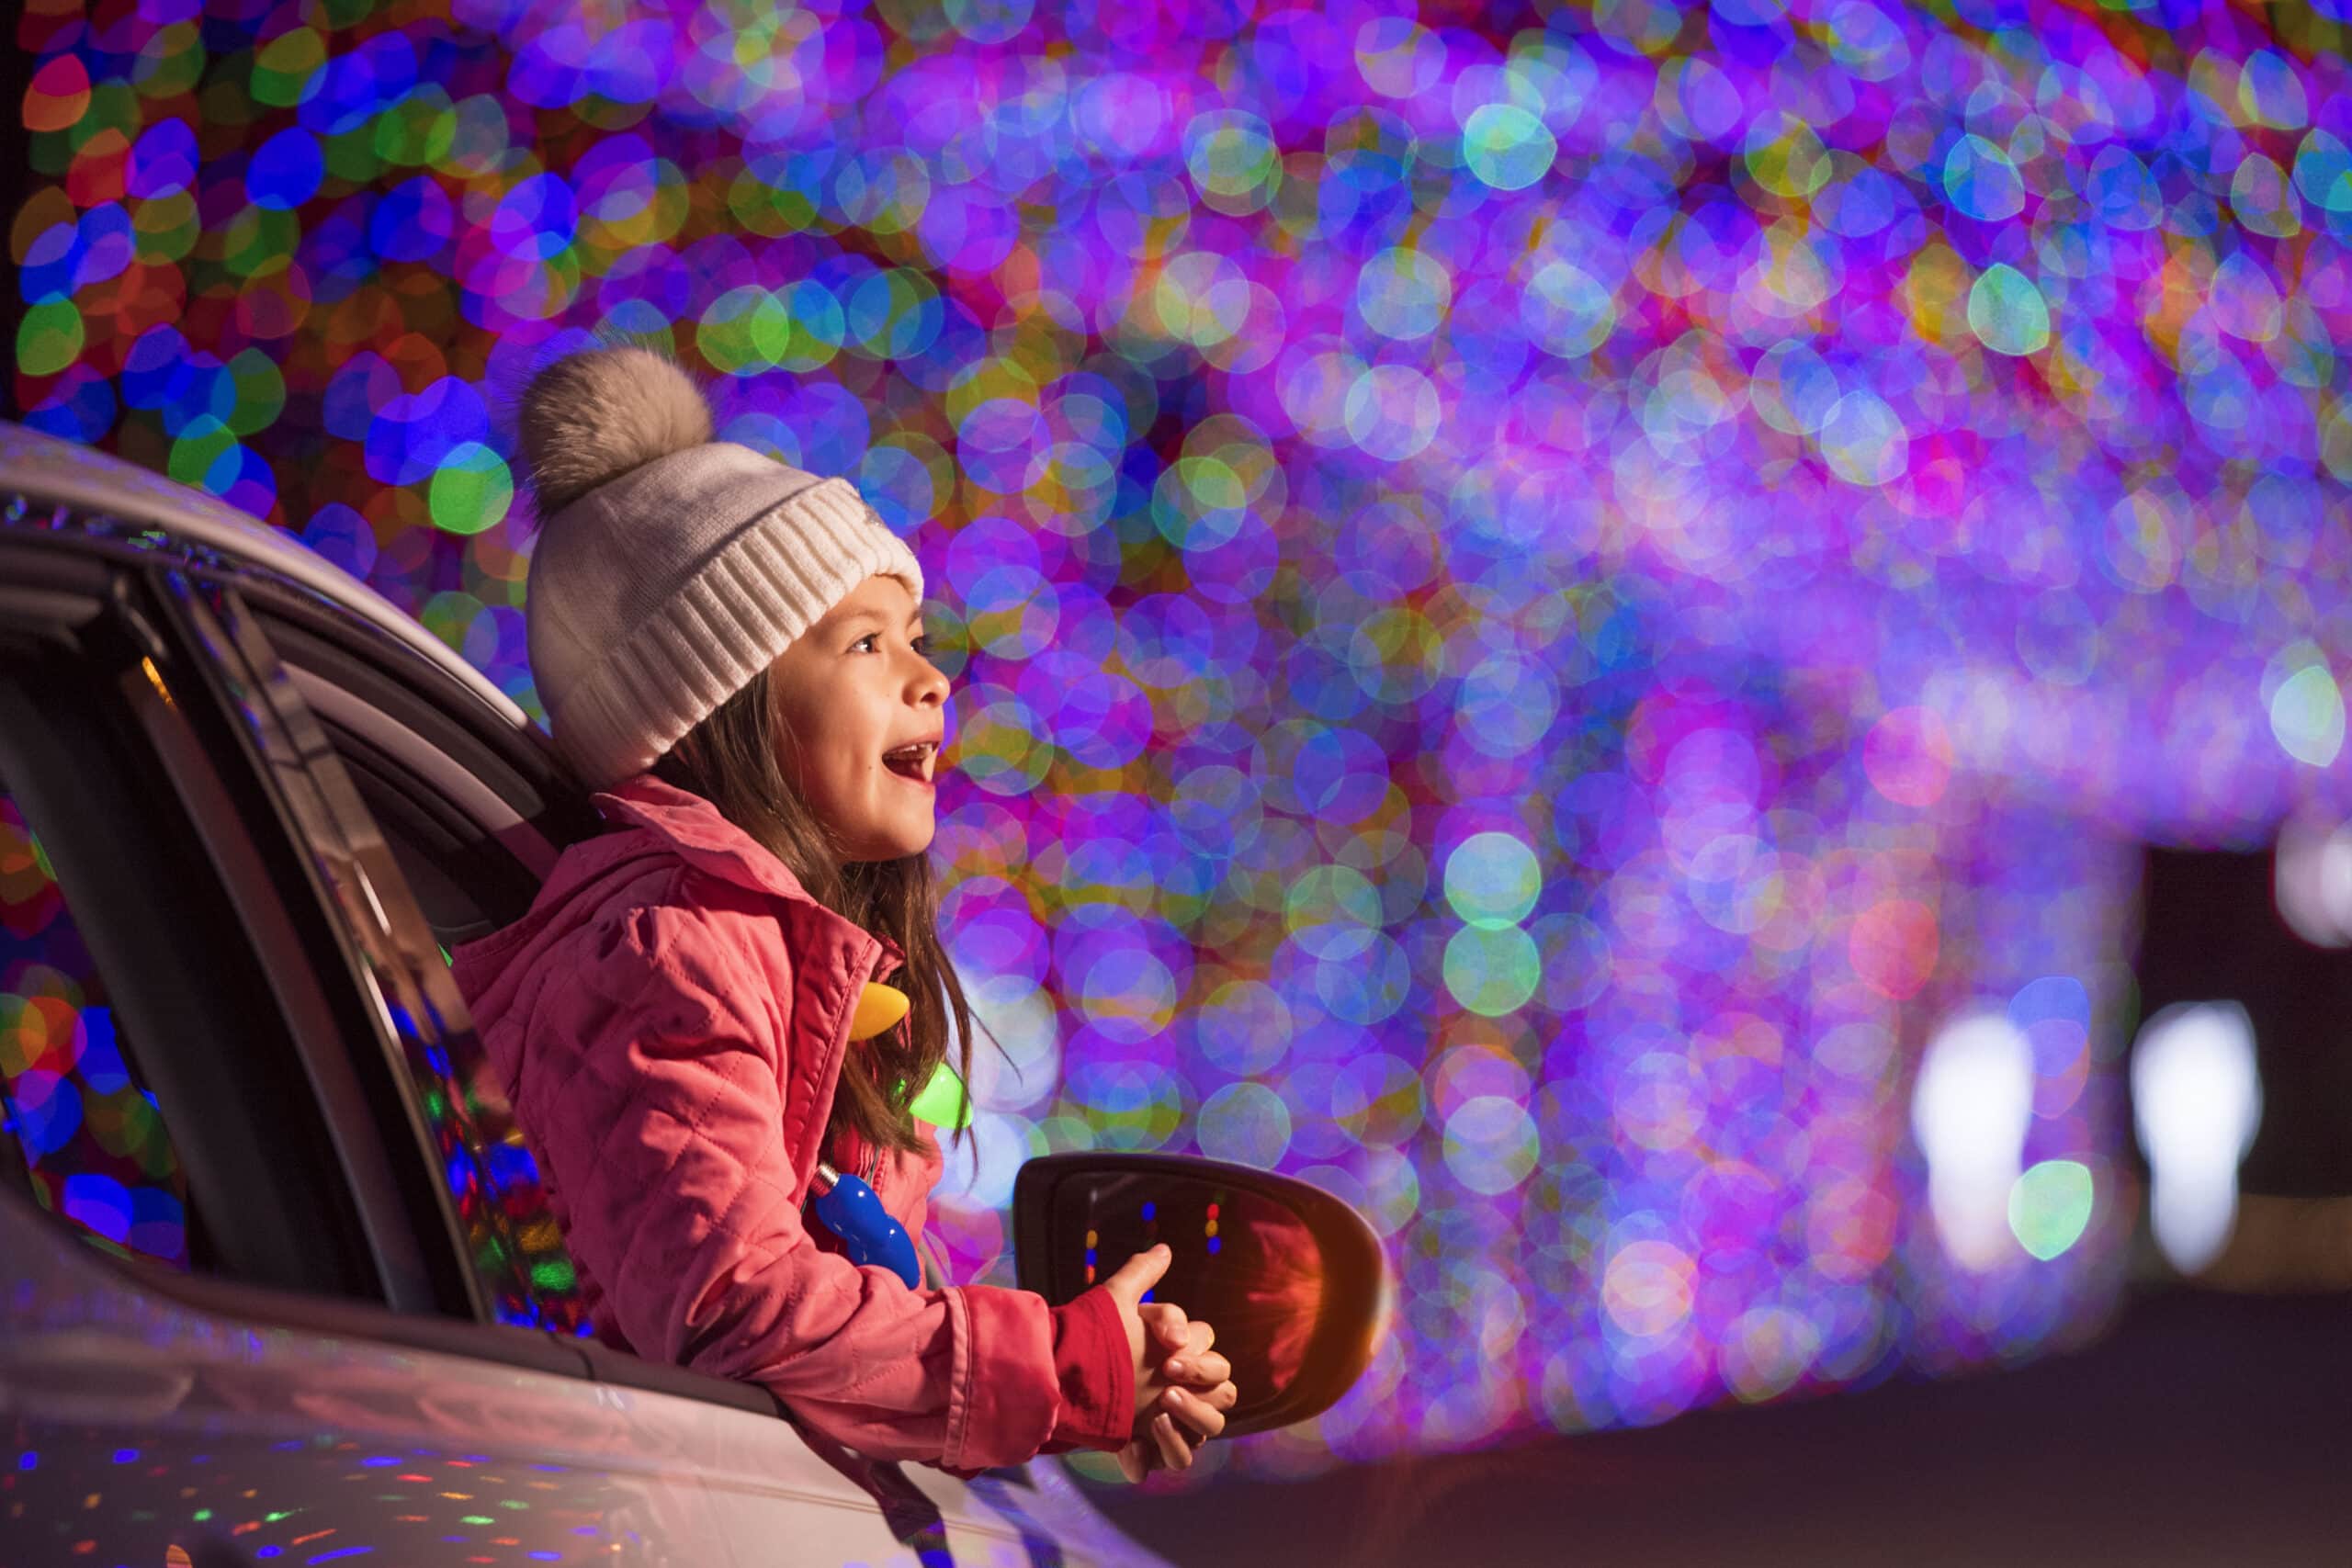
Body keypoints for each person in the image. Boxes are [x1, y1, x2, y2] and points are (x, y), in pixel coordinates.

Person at [448, 344, 1236, 1478]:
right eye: (865, 643)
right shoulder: (666, 955)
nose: (931, 678)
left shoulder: (807, 974)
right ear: (716, 706)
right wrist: (1058, 1367)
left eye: (914, 637)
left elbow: (845, 1306)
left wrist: (1107, 1366)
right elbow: (738, 1307)